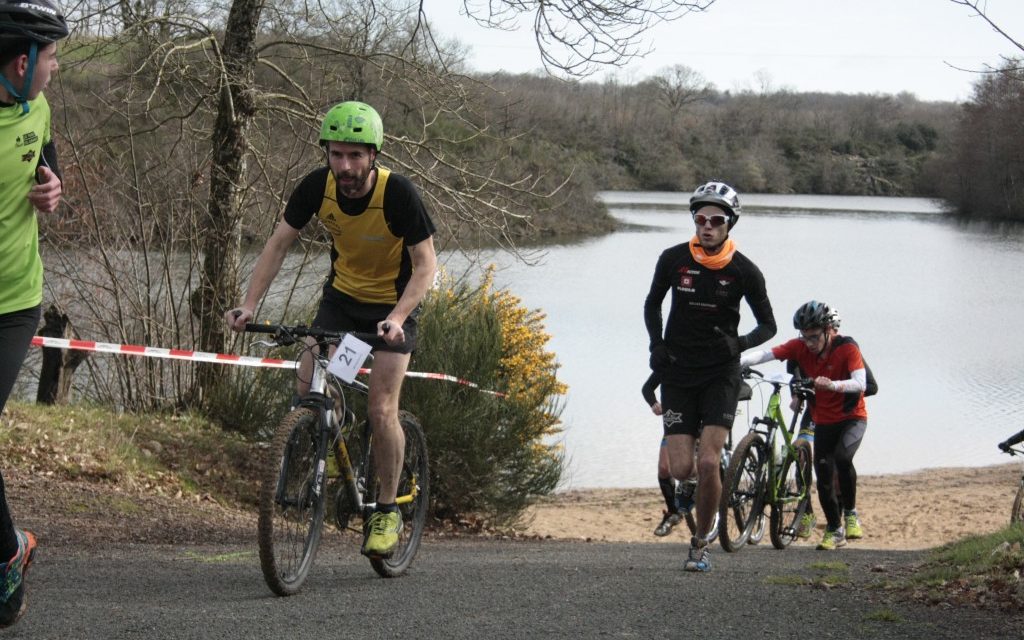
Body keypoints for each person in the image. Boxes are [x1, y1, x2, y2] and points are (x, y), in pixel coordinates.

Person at [226, 101, 437, 560]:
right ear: (327, 153)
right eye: (337, 154)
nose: (345, 165)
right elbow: (278, 244)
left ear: (373, 155)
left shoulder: (397, 193)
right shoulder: (315, 188)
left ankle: (385, 508)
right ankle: (329, 439)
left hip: (392, 308)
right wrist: (248, 304)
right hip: (341, 302)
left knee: (382, 409)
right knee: (309, 387)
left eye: (355, 156)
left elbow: (426, 267)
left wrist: (398, 318)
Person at [643, 180, 777, 572]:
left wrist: (739, 344)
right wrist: (656, 345)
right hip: (679, 373)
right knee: (681, 469)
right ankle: (703, 487)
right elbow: (653, 303)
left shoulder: (744, 271)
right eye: (700, 218)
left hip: (720, 374)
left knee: (707, 463)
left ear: (730, 224)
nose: (707, 226)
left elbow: (768, 325)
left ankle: (700, 544)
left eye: (716, 220)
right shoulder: (673, 259)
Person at [0, 0, 68, 627]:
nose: (54, 70)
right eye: (49, 59)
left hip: (14, 302)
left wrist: (51, 187)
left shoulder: (36, 105)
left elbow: (46, 163)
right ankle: (9, 548)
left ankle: (5, 555)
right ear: (21, 63)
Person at [740, 301, 868, 550]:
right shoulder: (800, 348)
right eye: (805, 337)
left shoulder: (847, 347)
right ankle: (835, 529)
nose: (809, 343)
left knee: (842, 459)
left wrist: (833, 385)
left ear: (829, 329)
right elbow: (768, 354)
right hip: (824, 421)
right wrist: (739, 362)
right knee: (822, 477)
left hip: (852, 417)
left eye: (814, 337)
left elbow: (861, 383)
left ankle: (851, 513)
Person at [642, 371, 692, 537]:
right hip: (674, 423)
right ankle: (673, 513)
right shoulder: (668, 361)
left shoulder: (698, 358)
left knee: (694, 466)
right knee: (664, 469)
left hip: (697, 419)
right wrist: (654, 403)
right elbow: (647, 388)